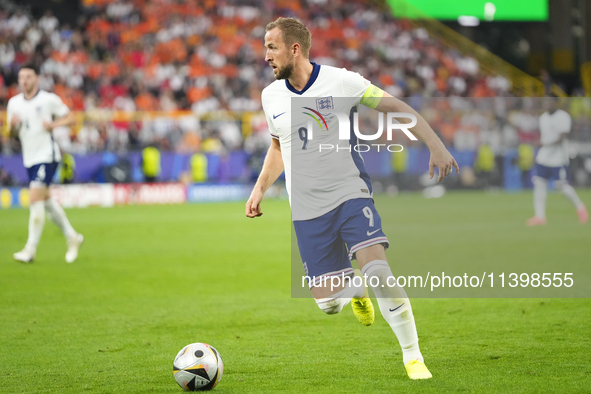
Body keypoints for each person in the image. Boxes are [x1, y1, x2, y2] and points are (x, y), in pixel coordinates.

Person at [245, 18, 459, 380]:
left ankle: (412, 356)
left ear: (294, 49)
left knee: (378, 269)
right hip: (308, 209)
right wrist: (260, 186)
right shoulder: (271, 96)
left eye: (271, 47)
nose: (266, 56)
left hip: (350, 194)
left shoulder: (342, 81)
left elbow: (397, 108)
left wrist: (435, 144)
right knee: (329, 304)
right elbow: (279, 146)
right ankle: (354, 287)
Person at [7, 63, 84, 263]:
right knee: (47, 200)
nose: (25, 80)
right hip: (29, 158)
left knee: (35, 198)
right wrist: (13, 127)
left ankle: (30, 250)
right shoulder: (14, 103)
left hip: (47, 156)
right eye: (21, 77)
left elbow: (71, 118)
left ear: (36, 79)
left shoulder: (48, 99)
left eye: (29, 76)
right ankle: (72, 237)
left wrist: (53, 125)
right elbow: (11, 133)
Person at [527, 97, 588, 226]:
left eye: (549, 101)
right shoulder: (543, 117)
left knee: (563, 187)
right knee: (539, 184)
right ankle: (540, 217)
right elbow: (544, 136)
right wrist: (538, 152)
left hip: (558, 158)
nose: (547, 104)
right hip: (543, 158)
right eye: (545, 102)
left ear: (556, 103)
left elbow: (561, 138)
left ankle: (580, 207)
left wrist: (542, 144)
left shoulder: (563, 116)